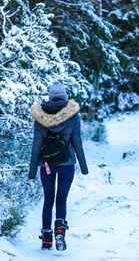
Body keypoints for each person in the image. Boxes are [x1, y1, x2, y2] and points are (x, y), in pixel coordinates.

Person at [29, 81, 89, 250]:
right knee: (61, 199)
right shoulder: (73, 115)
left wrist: (32, 170)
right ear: (64, 96)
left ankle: (46, 237)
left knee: (48, 200)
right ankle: (60, 231)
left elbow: (36, 144)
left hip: (46, 164)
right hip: (67, 164)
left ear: (50, 96)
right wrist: (83, 167)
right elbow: (77, 142)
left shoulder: (40, 115)